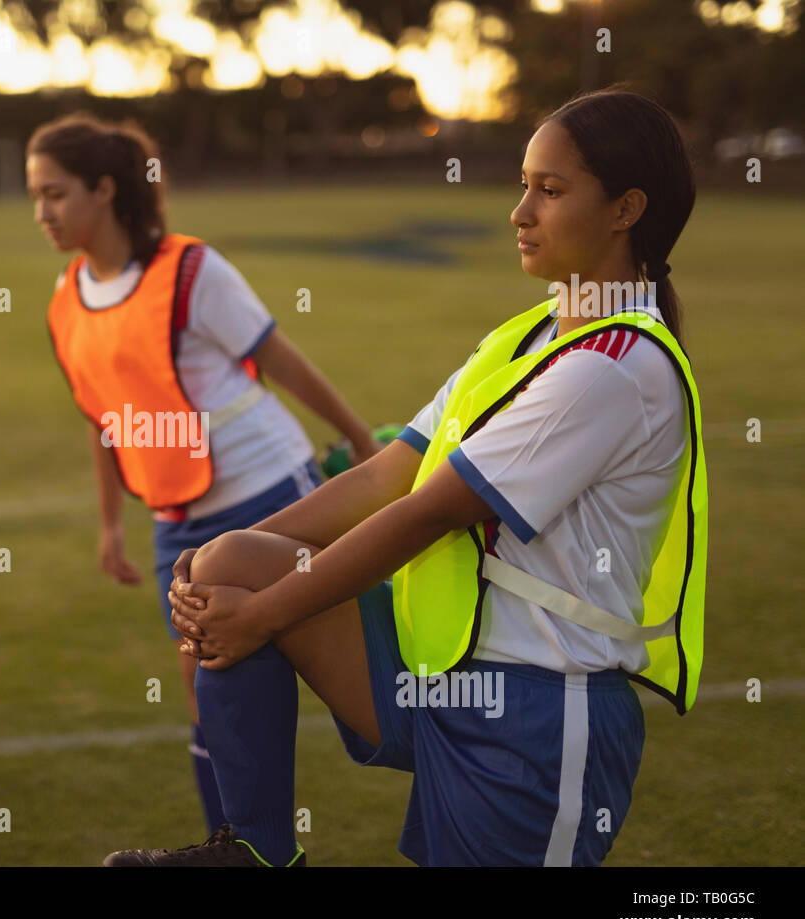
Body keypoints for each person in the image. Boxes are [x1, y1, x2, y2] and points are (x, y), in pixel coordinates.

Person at [104, 87, 707, 866]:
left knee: (252, 593)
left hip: (540, 708)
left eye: (550, 191)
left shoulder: (614, 367)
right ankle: (254, 852)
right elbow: (393, 469)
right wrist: (233, 548)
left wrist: (265, 616)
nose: (520, 211)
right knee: (231, 564)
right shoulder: (522, 337)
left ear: (626, 209)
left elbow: (427, 513)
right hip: (444, 674)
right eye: (524, 185)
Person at [27, 112, 393, 836]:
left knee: (353, 678)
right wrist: (108, 526)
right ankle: (233, 849)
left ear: (104, 190)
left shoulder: (192, 271)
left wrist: (360, 442)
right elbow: (104, 422)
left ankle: (447, 753)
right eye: (34, 197)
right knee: (207, 690)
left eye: (56, 194)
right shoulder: (64, 302)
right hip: (175, 521)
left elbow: (285, 365)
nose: (42, 213)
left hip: (270, 494)